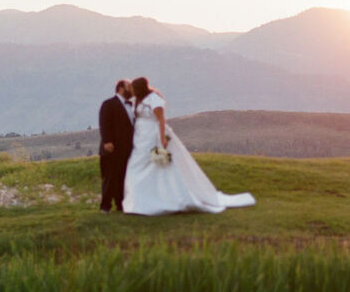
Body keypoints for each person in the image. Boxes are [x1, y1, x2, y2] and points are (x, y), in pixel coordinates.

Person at [122, 76, 256, 215]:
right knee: (135, 166)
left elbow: (161, 119)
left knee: (159, 166)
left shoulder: (154, 99)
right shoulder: (138, 100)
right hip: (140, 137)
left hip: (153, 135)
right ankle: (139, 200)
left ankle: (157, 200)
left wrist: (162, 138)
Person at [98, 79, 135, 212]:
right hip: (112, 148)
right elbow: (104, 123)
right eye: (129, 87)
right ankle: (105, 206)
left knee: (123, 178)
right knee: (110, 178)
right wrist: (107, 141)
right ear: (120, 88)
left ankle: (121, 205)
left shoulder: (131, 106)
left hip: (126, 149)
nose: (131, 89)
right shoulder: (109, 104)